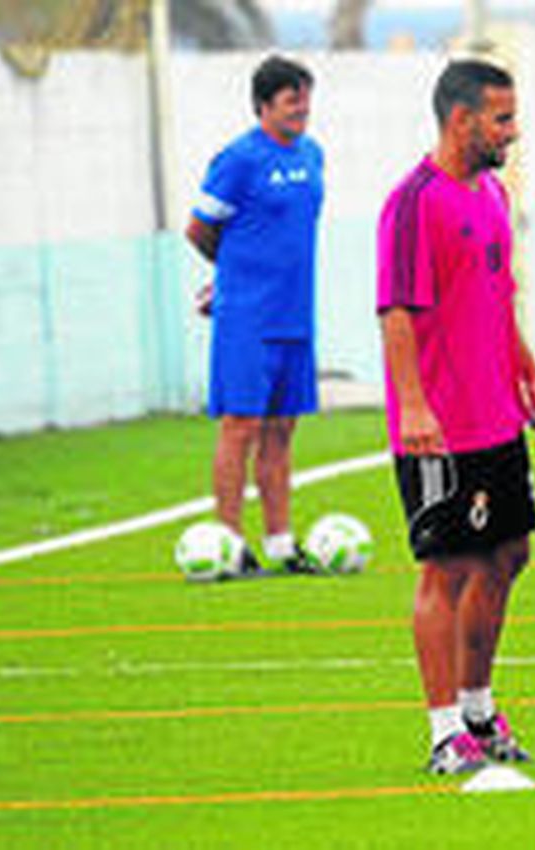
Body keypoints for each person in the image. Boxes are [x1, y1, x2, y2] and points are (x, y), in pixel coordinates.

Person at [378, 59, 535, 772]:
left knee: (509, 553)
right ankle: (443, 731)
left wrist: (527, 371)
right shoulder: (413, 201)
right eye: (502, 119)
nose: (512, 133)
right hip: (440, 425)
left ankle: (479, 710)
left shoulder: (489, 192)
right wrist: (415, 406)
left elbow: (497, 293)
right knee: (447, 568)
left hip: (495, 415)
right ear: (461, 120)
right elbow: (395, 311)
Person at [186, 55, 324, 574]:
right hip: (246, 317)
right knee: (239, 426)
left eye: (306, 97)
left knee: (282, 430)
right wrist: (232, 279)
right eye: (292, 99)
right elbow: (199, 228)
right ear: (264, 105)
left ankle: (282, 544)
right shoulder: (238, 159)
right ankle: (229, 544)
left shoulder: (313, 155)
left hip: (296, 314)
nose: (303, 108)